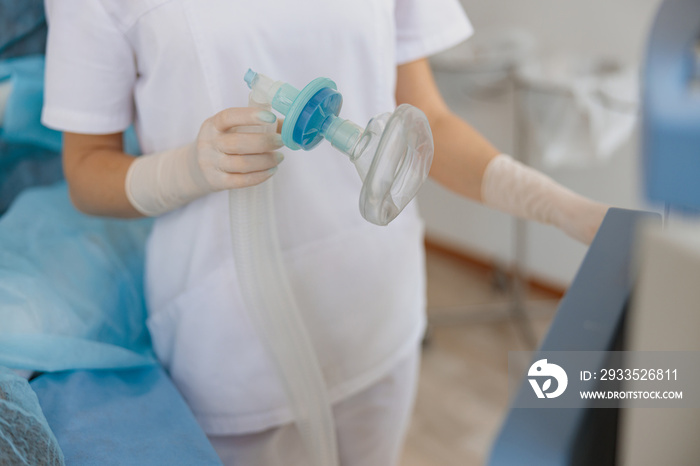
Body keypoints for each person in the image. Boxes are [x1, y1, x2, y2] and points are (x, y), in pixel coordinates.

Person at [41, 0, 608, 464]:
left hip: (376, 311)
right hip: (231, 337)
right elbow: (86, 170)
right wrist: (186, 168)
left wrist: (563, 208)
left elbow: (426, 122)